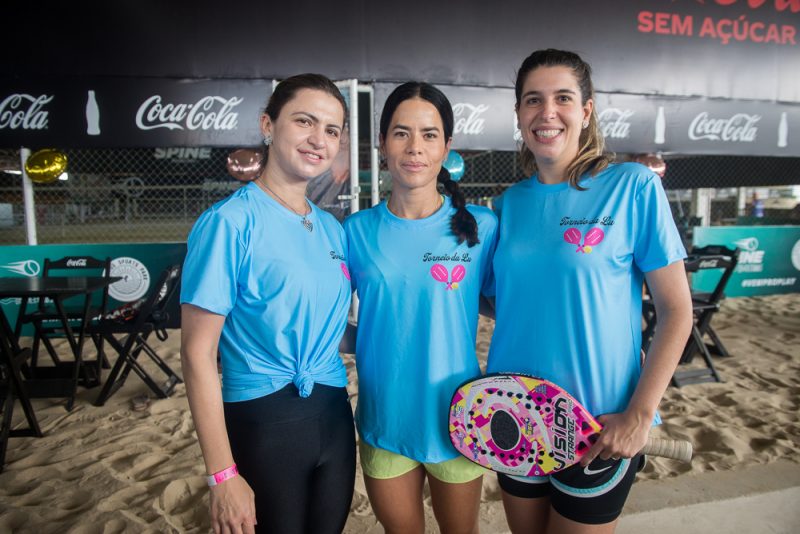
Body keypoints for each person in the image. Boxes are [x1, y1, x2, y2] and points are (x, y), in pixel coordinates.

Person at [486, 49, 693, 533]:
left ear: (586, 110)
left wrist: (640, 413)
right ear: (519, 115)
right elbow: (504, 303)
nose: (547, 112)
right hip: (514, 415)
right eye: (533, 100)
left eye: (562, 98)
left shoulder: (632, 186)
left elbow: (676, 310)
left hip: (599, 426)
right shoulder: (508, 205)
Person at [180, 73, 355, 534]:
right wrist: (222, 475)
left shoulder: (332, 229)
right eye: (304, 121)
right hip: (263, 421)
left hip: (335, 416)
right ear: (267, 125)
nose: (319, 139)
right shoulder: (228, 222)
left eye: (332, 130)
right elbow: (197, 354)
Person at [344, 82, 498, 534]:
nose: (415, 148)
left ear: (447, 146)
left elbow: (508, 308)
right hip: (384, 419)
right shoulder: (354, 232)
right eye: (401, 133)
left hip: (460, 419)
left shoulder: (481, 228)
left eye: (430, 135)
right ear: (382, 144)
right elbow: (332, 321)